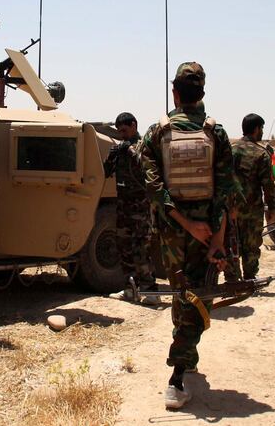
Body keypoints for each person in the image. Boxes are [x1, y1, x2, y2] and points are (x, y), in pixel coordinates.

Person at [136, 62, 236, 409]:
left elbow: (154, 189)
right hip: (207, 230)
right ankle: (177, 376)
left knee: (183, 293)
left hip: (172, 231)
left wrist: (183, 221)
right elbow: (224, 193)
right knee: (199, 293)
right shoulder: (216, 133)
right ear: (202, 94)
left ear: (175, 93)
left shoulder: (156, 133)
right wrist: (217, 238)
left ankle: (187, 356)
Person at [103, 112, 157, 302]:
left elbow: (147, 169)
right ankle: (129, 288)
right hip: (123, 205)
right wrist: (111, 158)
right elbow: (106, 173)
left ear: (134, 125)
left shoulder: (143, 146)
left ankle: (150, 291)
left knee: (141, 249)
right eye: (119, 132)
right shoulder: (120, 148)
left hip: (140, 207)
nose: (123, 135)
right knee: (123, 247)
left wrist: (129, 151)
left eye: (124, 130)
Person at [231, 113, 275, 280]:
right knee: (251, 245)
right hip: (252, 209)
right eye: (261, 128)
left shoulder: (231, 150)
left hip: (232, 208)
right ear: (256, 129)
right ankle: (249, 278)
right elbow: (268, 185)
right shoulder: (261, 153)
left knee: (232, 242)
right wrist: (271, 208)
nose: (262, 132)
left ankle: (233, 278)